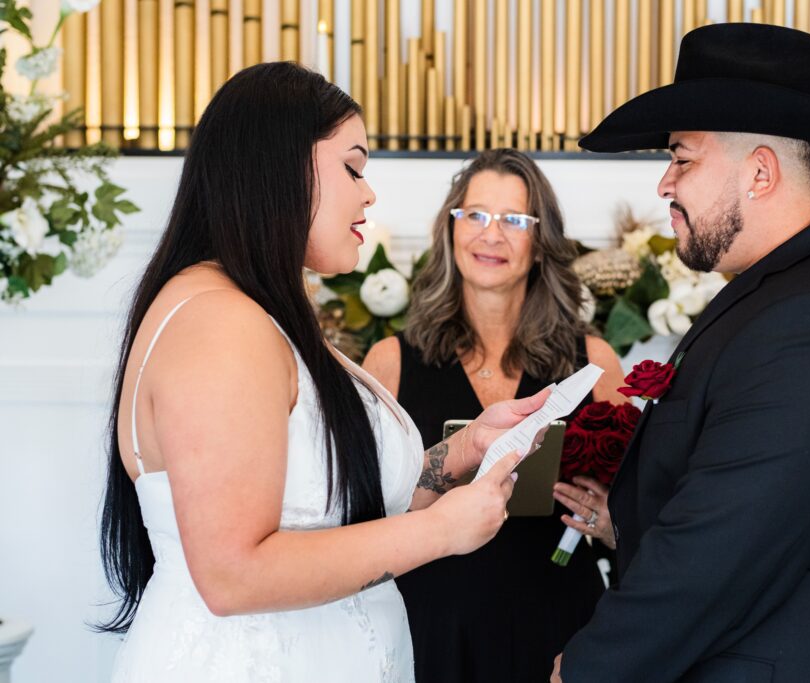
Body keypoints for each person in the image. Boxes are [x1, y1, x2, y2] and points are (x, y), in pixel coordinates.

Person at [97, 62, 549, 681]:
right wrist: (441, 533)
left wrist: (468, 448)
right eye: (354, 167)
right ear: (278, 165)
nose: (368, 194)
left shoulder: (261, 311)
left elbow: (341, 502)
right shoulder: (219, 322)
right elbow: (232, 573)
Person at [552, 24, 810, 683]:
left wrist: (588, 669)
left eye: (682, 158)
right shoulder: (803, 287)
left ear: (760, 172)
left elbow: (717, 553)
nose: (664, 185)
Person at [362, 148, 628, 683]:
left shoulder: (594, 362)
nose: (491, 234)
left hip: (560, 630)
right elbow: (364, 514)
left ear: (540, 242)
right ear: (451, 230)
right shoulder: (389, 362)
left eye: (514, 220)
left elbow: (648, 515)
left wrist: (610, 525)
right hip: (429, 626)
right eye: (476, 215)